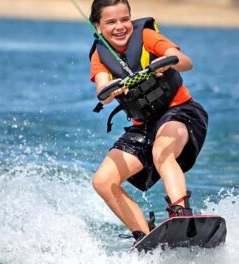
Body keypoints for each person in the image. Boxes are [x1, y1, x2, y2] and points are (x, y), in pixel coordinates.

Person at [89, 0, 208, 243]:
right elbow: (102, 87)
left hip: (180, 113)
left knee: (161, 150)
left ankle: (180, 214)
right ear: (98, 26)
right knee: (103, 181)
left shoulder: (147, 36)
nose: (120, 27)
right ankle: (143, 236)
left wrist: (169, 60)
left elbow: (186, 61)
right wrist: (109, 90)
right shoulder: (100, 56)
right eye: (111, 22)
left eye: (124, 19)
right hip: (143, 126)